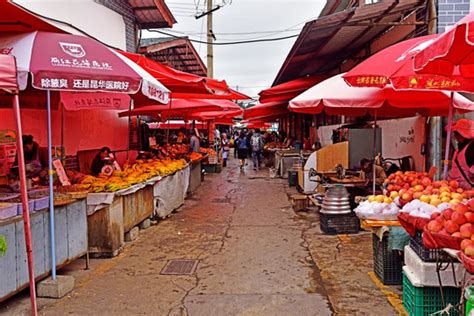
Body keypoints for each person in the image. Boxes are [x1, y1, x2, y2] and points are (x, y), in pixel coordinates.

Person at [448, 119, 473, 189]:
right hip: (456, 188)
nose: (455, 136)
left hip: (468, 189)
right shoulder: (460, 147)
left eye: (456, 133)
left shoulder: (472, 148)